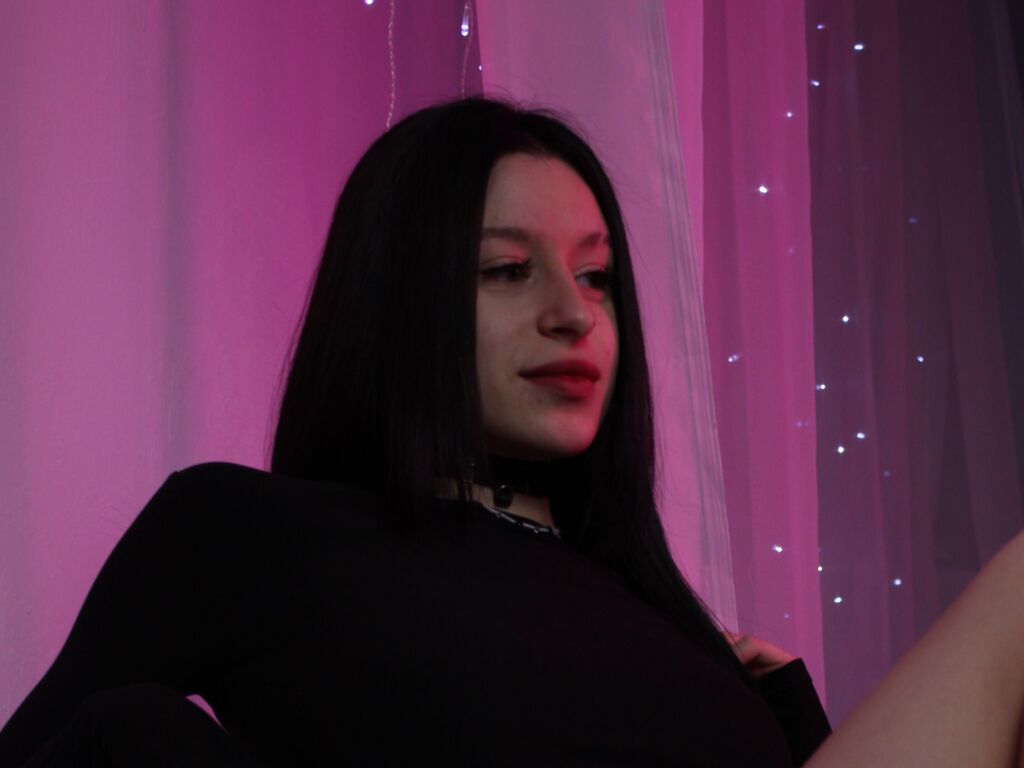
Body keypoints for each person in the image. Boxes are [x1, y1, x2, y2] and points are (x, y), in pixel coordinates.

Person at [0, 94, 1018, 767]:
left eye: (597, 277)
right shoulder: (249, 533)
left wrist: (781, 709)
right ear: (397, 300)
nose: (573, 315)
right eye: (506, 270)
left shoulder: (653, 609)